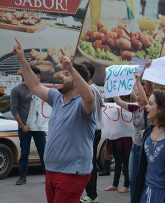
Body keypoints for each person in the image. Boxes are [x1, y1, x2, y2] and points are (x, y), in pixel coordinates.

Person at [14, 39, 96, 203]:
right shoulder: (57, 97)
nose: (60, 75)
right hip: (52, 170)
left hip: (72, 173)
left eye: (66, 75)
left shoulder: (84, 103)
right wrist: (22, 59)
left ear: (76, 79)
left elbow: (89, 98)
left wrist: (71, 69)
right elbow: (35, 86)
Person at [133, 90, 165, 203]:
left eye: (151, 104)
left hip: (164, 196)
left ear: (161, 108)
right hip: (145, 193)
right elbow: (142, 168)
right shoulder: (147, 132)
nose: (146, 106)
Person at [112, 73, 149, 202]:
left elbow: (145, 99)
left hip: (147, 148)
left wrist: (138, 81)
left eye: (140, 96)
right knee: (133, 177)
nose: (138, 98)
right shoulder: (135, 108)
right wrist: (113, 85)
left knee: (145, 177)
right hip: (136, 146)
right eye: (137, 96)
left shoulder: (149, 109)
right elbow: (118, 101)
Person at [10, 67, 46, 185]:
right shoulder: (17, 90)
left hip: (38, 127)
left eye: (39, 77)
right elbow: (14, 109)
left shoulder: (40, 89)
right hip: (24, 127)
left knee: (43, 151)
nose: (38, 79)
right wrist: (22, 125)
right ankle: (22, 176)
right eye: (36, 76)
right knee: (24, 151)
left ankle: (48, 175)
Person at [80, 64, 104, 203]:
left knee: (89, 163)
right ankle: (91, 194)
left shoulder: (90, 90)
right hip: (96, 130)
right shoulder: (95, 88)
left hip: (92, 131)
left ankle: (92, 195)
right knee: (90, 162)